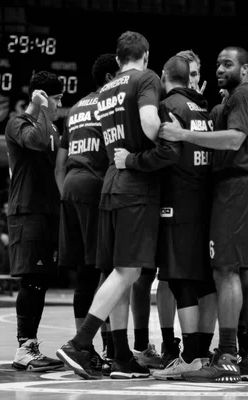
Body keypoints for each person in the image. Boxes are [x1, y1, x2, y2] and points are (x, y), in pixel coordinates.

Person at [159, 46, 248, 383]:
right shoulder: (237, 99)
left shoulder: (243, 97)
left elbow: (235, 139)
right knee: (246, 271)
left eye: (227, 64)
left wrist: (182, 134)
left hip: (237, 186)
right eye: (218, 63)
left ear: (246, 69)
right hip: (247, 185)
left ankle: (227, 355)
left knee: (226, 271)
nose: (219, 69)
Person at [56, 31, 161, 380]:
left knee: (118, 271)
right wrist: (170, 135)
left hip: (110, 185)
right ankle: (80, 343)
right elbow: (149, 125)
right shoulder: (147, 78)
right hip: (134, 184)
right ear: (145, 55)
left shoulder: (104, 90)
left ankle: (119, 355)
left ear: (117, 59)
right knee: (127, 272)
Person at [113, 51, 216, 380]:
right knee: (202, 281)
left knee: (180, 279)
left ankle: (189, 356)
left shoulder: (170, 106)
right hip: (204, 201)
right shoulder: (203, 108)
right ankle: (201, 350)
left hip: (178, 201)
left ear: (164, 78)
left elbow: (167, 152)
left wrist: (130, 160)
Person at [55, 53, 120, 369]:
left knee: (84, 273)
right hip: (95, 186)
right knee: (107, 268)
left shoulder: (76, 107)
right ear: (110, 78)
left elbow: (59, 163)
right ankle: (107, 346)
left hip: (70, 186)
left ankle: (89, 348)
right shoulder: (109, 106)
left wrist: (66, 196)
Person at [4, 70, 65, 371]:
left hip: (48, 211)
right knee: (31, 279)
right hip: (26, 211)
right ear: (39, 96)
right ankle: (23, 348)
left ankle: (31, 346)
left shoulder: (51, 128)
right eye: (55, 98)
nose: (58, 104)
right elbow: (36, 142)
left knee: (40, 282)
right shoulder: (18, 123)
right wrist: (41, 107)